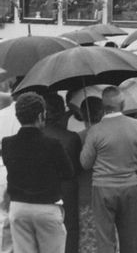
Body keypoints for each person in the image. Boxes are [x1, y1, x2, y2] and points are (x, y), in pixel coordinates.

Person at [80, 87, 137, 253]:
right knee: (131, 238)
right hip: (130, 186)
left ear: (103, 106)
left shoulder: (95, 130)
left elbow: (85, 163)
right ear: (123, 104)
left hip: (102, 187)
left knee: (104, 239)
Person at [1, 93, 74, 253]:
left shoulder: (7, 144)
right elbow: (68, 173)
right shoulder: (52, 145)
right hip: (46, 207)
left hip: (18, 207)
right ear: (41, 115)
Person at [41, 93, 81, 253]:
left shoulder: (34, 137)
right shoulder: (71, 138)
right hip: (66, 189)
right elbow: (77, 167)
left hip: (41, 188)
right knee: (70, 228)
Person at [76, 97, 103, 253]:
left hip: (86, 194)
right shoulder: (111, 135)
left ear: (82, 113)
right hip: (109, 193)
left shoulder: (78, 138)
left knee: (88, 242)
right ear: (102, 112)